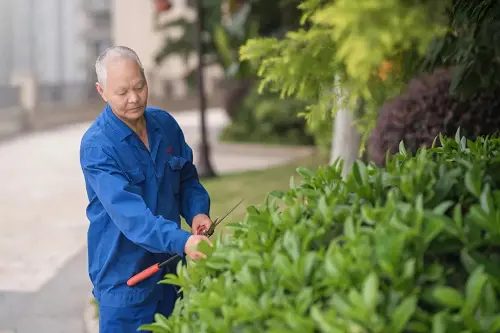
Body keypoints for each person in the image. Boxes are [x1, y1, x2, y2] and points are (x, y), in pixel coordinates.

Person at [79, 45, 213, 332]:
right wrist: (182, 241)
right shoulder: (97, 146)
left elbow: (187, 179)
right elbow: (131, 216)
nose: (134, 98)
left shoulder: (164, 124)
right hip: (125, 281)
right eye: (122, 92)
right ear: (101, 91)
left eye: (140, 86)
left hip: (171, 273)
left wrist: (198, 213)